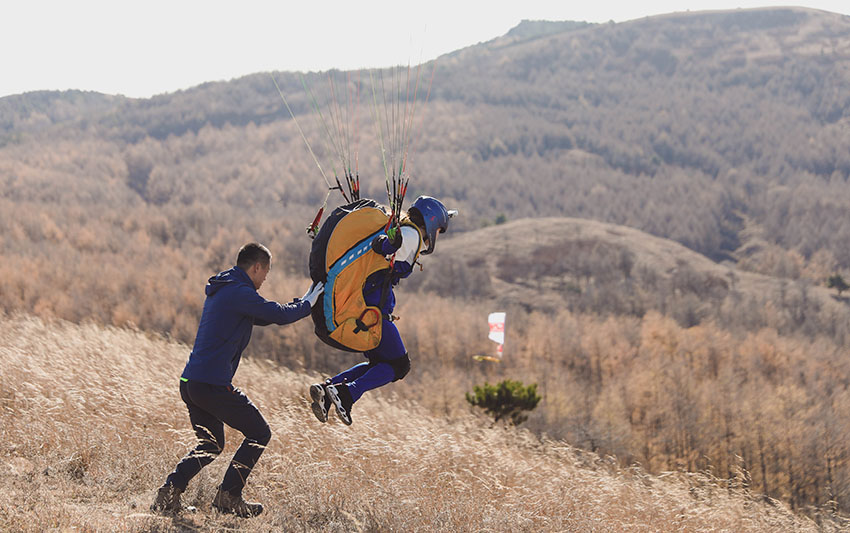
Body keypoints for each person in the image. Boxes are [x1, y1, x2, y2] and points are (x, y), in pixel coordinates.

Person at [152, 242, 324, 518]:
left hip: (192, 381)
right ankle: (229, 497)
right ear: (256, 267)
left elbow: (268, 316)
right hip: (211, 384)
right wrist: (307, 304)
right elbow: (277, 315)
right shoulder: (239, 292)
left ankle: (168, 494)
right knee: (260, 433)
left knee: (211, 445)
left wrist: (303, 302)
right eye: (265, 273)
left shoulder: (228, 288)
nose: (264, 280)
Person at [309, 196, 455, 426]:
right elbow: (383, 248)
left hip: (369, 307)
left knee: (379, 364)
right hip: (373, 311)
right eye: (438, 230)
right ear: (431, 222)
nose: (436, 235)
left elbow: (382, 252)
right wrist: (388, 245)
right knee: (399, 365)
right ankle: (347, 393)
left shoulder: (403, 230)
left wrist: (387, 245)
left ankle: (328, 391)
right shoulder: (411, 235)